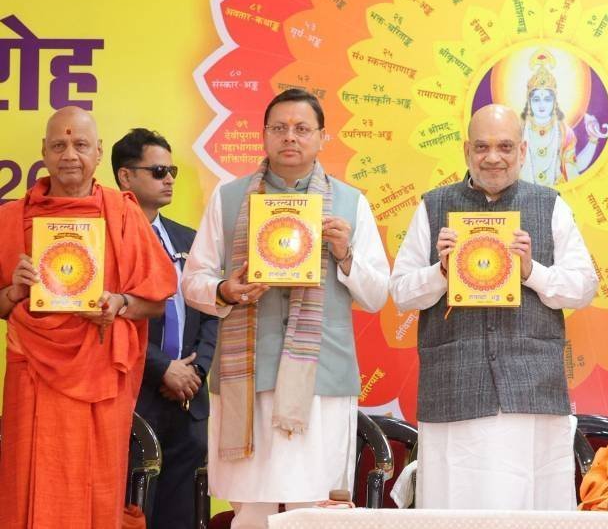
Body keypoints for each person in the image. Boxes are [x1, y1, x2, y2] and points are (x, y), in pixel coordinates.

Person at [181, 89, 390, 528]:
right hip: (247, 378)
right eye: (279, 128)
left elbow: (376, 295)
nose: (290, 137)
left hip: (320, 380)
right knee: (251, 511)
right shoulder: (229, 198)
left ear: (322, 137)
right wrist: (226, 289)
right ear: (263, 135)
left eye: (301, 128)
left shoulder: (350, 202)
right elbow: (193, 280)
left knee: (313, 510)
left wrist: (345, 253)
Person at [390, 104, 597, 509]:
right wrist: (441, 272)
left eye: (504, 147)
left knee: (529, 506)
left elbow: (583, 288)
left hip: (530, 394)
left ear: (523, 150)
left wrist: (531, 271)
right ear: (467, 150)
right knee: (455, 504)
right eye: (482, 147)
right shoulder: (433, 206)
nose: (493, 158)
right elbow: (400, 292)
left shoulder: (549, 205)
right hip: (454, 388)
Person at [0, 107, 176, 528]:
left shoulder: (123, 214)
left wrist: (119, 303)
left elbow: (155, 302)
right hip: (33, 374)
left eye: (80, 145)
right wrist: (14, 292)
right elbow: (2, 305)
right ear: (43, 151)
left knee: (96, 485)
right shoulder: (11, 218)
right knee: (29, 479)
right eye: (58, 145)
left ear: (98, 152)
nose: (69, 155)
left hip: (99, 371)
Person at [112, 128, 218, 529]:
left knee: (183, 516)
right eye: (158, 171)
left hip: (189, 399)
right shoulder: (109, 240)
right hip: (137, 394)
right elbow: (112, 318)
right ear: (126, 176)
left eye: (172, 170)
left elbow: (212, 310)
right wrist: (163, 369)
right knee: (132, 511)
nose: (169, 179)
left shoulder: (188, 238)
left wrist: (196, 370)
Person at [519, 49, 608, 186]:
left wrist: (593, 140)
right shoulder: (518, 131)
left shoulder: (564, 132)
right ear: (529, 102)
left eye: (547, 99)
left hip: (559, 193)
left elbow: (574, 168)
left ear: (554, 101)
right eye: (536, 99)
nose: (542, 105)